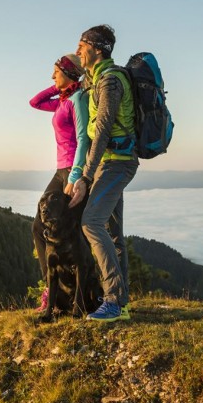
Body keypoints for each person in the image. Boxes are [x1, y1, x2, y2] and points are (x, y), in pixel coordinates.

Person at [69, 24, 137, 322]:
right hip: (112, 162)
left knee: (91, 223)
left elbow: (103, 130)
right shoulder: (97, 79)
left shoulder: (109, 82)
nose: (77, 51)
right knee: (112, 232)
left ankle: (112, 299)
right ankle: (121, 304)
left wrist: (85, 177)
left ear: (96, 48)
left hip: (116, 162)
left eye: (81, 45)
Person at [29, 53, 89, 311]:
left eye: (56, 72)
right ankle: (50, 289)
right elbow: (35, 102)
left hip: (72, 170)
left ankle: (84, 295)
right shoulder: (63, 100)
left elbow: (84, 139)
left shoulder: (77, 100)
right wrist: (59, 86)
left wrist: (76, 176)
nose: (52, 76)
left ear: (69, 72)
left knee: (77, 232)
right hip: (60, 169)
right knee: (38, 226)